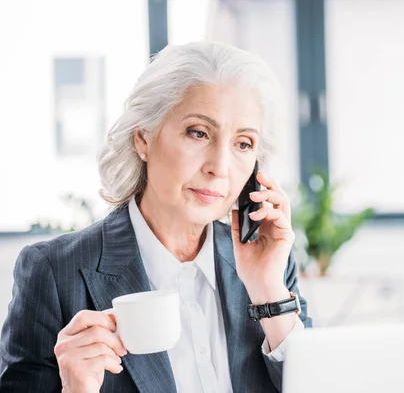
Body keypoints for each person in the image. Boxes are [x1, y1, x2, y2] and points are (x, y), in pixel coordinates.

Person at [0, 40, 311, 393]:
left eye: (243, 144)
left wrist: (269, 292)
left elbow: (318, 383)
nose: (220, 168)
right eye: (199, 133)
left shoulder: (271, 268)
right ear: (143, 138)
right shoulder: (54, 272)